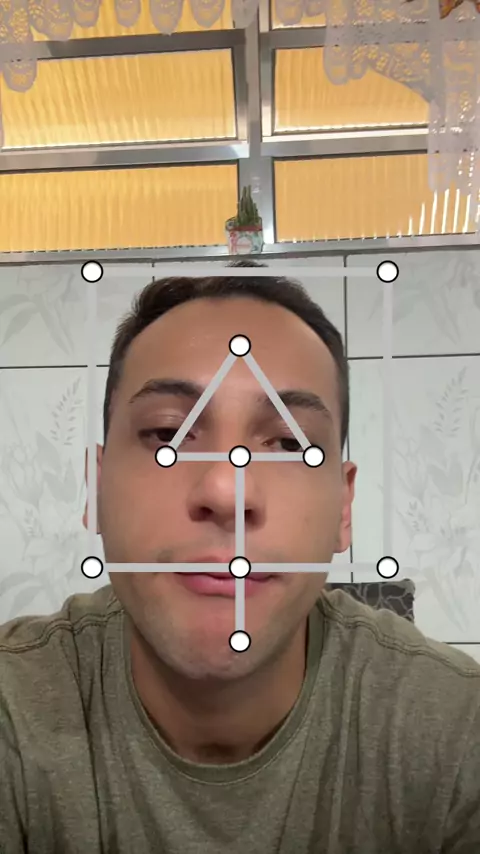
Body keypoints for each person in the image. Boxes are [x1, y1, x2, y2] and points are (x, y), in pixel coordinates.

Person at [0, 262, 479, 854]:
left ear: (343, 507)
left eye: (289, 443)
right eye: (169, 434)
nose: (228, 488)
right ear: (97, 490)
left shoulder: (457, 732)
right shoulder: (15, 710)